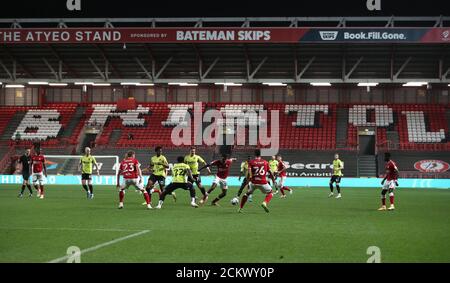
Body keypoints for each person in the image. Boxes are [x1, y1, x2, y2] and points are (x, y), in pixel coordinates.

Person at [239, 149, 276, 213]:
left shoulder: (251, 162)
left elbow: (249, 172)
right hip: (263, 182)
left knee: (246, 194)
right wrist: (273, 180)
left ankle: (240, 208)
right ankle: (264, 203)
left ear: (254, 154)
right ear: (260, 154)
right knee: (270, 193)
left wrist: (248, 181)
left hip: (254, 182)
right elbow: (270, 173)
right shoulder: (265, 162)